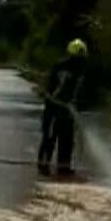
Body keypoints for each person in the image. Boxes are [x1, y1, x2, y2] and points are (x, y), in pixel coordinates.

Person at [37, 38, 88, 176]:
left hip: (67, 110)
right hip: (53, 108)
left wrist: (76, 105)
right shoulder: (60, 67)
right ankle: (44, 164)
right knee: (49, 138)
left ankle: (64, 166)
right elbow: (50, 87)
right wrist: (52, 99)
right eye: (78, 58)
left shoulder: (80, 71)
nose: (80, 61)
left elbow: (78, 91)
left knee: (67, 139)